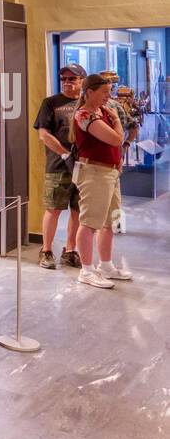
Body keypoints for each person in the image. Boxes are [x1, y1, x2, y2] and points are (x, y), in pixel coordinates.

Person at [72, 74, 134, 290]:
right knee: (89, 223)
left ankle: (105, 265)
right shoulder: (84, 115)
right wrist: (117, 121)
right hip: (94, 173)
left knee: (109, 222)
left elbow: (115, 144)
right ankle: (86, 270)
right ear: (89, 92)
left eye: (109, 92)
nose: (109, 96)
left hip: (110, 173)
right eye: (104, 92)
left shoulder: (102, 112)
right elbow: (116, 139)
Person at [33, 62, 84, 269]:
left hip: (85, 167)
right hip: (58, 166)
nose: (67, 82)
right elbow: (43, 134)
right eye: (63, 79)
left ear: (82, 80)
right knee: (53, 209)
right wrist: (64, 154)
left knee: (78, 210)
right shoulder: (50, 103)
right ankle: (46, 250)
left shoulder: (87, 104)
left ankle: (70, 250)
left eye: (72, 78)